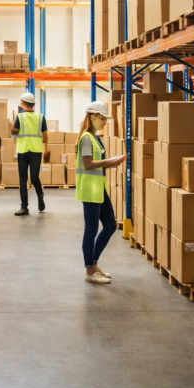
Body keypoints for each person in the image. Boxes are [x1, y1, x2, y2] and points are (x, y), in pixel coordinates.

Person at [76, 101, 127, 284]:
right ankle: (90, 271)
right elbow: (87, 164)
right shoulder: (86, 138)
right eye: (102, 118)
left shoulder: (96, 138)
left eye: (106, 119)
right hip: (90, 189)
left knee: (111, 225)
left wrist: (111, 163)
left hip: (98, 188)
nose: (105, 122)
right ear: (92, 116)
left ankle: (94, 263)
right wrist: (110, 161)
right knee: (91, 231)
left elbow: (97, 164)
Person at [11, 91, 46, 216]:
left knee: (24, 179)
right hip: (35, 151)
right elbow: (46, 138)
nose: (20, 103)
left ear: (25, 103)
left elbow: (14, 132)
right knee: (32, 178)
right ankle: (26, 205)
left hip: (24, 151)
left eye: (21, 101)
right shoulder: (41, 117)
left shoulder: (19, 117)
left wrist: (12, 128)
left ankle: (36, 198)